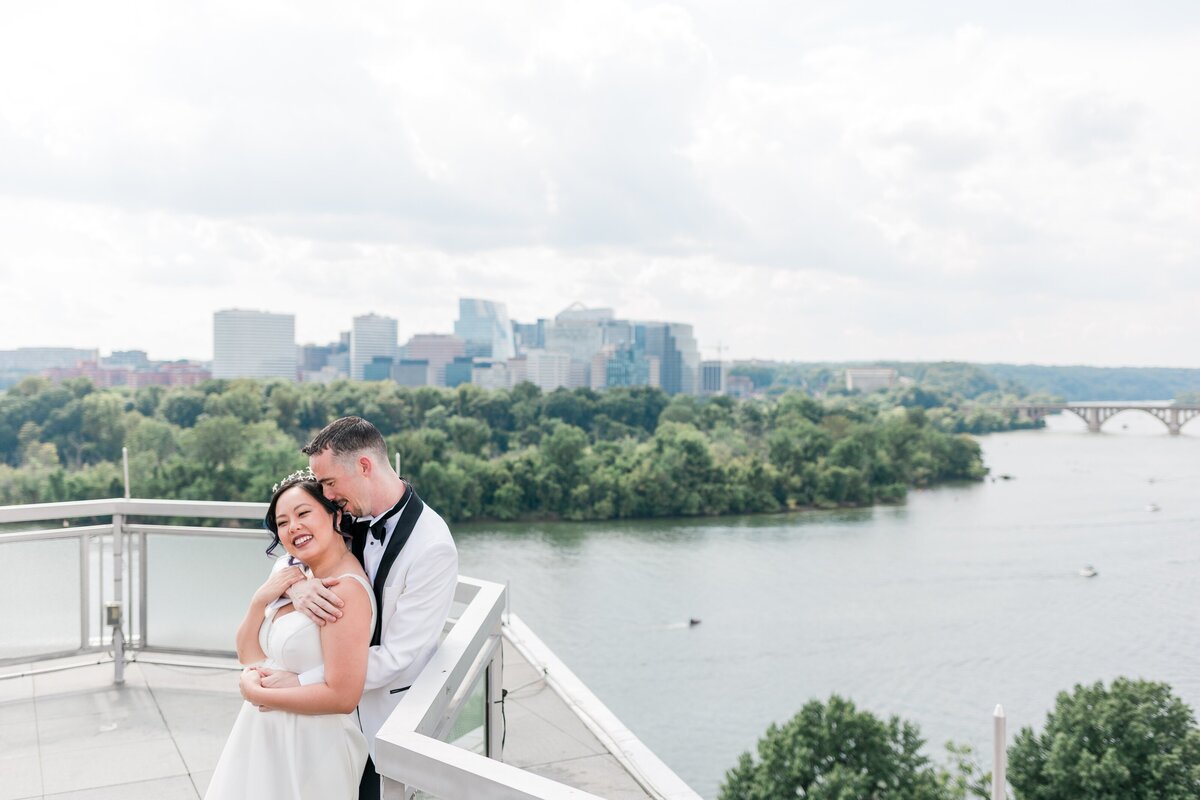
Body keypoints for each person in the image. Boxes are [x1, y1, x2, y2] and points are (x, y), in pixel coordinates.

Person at [262, 416, 460, 800]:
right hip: (326, 717)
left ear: (364, 467)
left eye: (330, 483)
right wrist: (301, 585)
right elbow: (296, 550)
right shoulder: (346, 511)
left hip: (383, 718)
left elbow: (400, 654)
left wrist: (306, 681)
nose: (327, 495)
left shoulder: (432, 546)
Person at [205, 472, 375, 799]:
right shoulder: (290, 571)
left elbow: (343, 696)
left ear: (335, 515)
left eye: (303, 513)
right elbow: (248, 655)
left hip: (313, 746)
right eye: (282, 522)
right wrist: (260, 600)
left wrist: (258, 695)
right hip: (263, 738)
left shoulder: (344, 590)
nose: (292, 527)